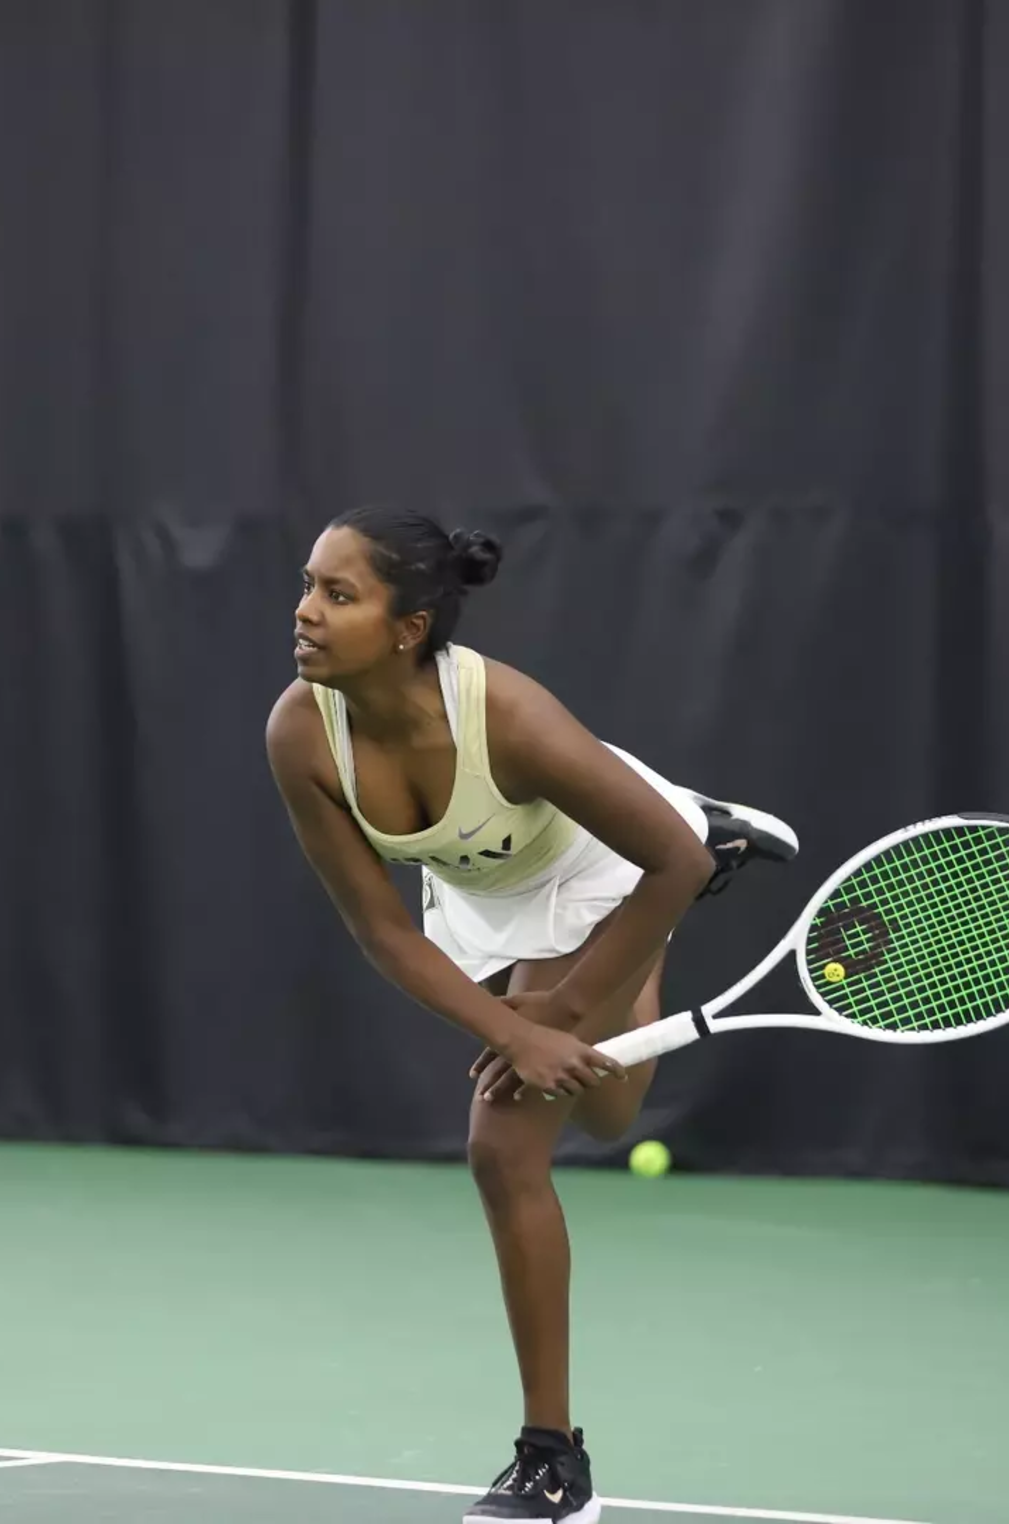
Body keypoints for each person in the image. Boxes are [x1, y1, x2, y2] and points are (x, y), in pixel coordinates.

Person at [264, 505, 797, 1524]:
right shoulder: (301, 732)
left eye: (338, 594)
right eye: (307, 586)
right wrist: (516, 1027)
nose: (306, 612)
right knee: (606, 1112)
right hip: (477, 887)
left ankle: (554, 1467)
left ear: (409, 628)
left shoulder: (504, 715)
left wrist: (566, 1004)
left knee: (508, 1144)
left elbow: (668, 867)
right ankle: (696, 851)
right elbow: (384, 931)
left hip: (609, 866)